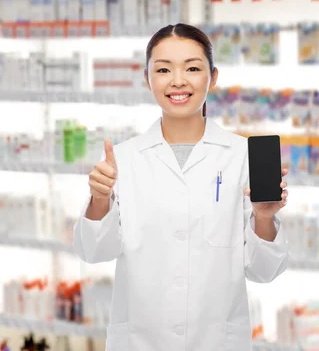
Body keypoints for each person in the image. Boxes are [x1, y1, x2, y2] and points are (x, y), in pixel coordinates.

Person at [72, 23, 289, 351]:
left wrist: (263, 217)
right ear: (147, 79)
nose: (177, 80)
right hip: (142, 341)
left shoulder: (242, 157)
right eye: (163, 69)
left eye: (192, 68)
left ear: (212, 78)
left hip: (216, 341)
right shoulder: (124, 159)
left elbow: (264, 270)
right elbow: (94, 251)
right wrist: (99, 199)